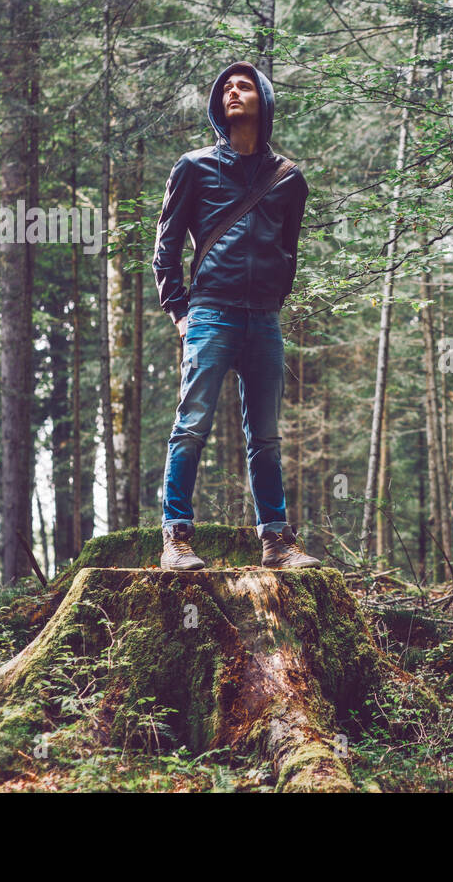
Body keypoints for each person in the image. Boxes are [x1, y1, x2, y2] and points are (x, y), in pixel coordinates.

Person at [152, 60, 319, 570]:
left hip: (264, 320)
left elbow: (287, 248)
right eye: (225, 88)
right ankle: (176, 538)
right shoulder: (194, 167)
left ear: (262, 101)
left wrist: (273, 299)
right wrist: (179, 309)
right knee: (192, 424)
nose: (232, 92)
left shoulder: (288, 179)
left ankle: (276, 542)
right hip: (210, 314)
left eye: (244, 86)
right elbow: (167, 245)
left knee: (265, 436)